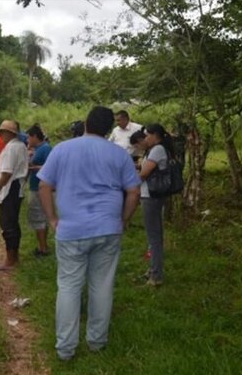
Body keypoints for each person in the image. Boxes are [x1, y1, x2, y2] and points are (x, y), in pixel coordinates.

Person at [37, 106, 141, 361]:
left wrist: (52, 219)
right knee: (102, 286)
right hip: (108, 229)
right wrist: (123, 220)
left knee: (69, 287)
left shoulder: (62, 149)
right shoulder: (119, 154)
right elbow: (134, 192)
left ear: (85, 124)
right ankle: (96, 342)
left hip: (71, 230)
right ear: (109, 130)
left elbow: (44, 185)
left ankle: (65, 349)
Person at [138, 123, 174, 287]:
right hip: (150, 196)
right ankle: (153, 269)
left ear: (154, 135)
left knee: (154, 237)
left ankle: (156, 275)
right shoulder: (153, 150)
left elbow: (144, 173)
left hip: (151, 196)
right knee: (153, 236)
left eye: (147, 135)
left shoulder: (158, 150)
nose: (145, 139)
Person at [0, 120, 28, 270]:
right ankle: (14, 257)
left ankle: (10, 260)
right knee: (12, 223)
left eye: (2, 132)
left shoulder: (12, 148)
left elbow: (6, 173)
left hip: (9, 187)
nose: (0, 135)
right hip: (15, 187)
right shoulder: (20, 146)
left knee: (7, 224)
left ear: (8, 133)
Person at [26, 124, 52, 257]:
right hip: (35, 185)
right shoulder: (36, 149)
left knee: (38, 218)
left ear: (35, 136)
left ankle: (43, 248)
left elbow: (50, 167)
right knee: (40, 217)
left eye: (29, 138)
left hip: (39, 188)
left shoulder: (45, 149)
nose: (28, 141)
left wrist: (33, 167)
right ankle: (42, 245)